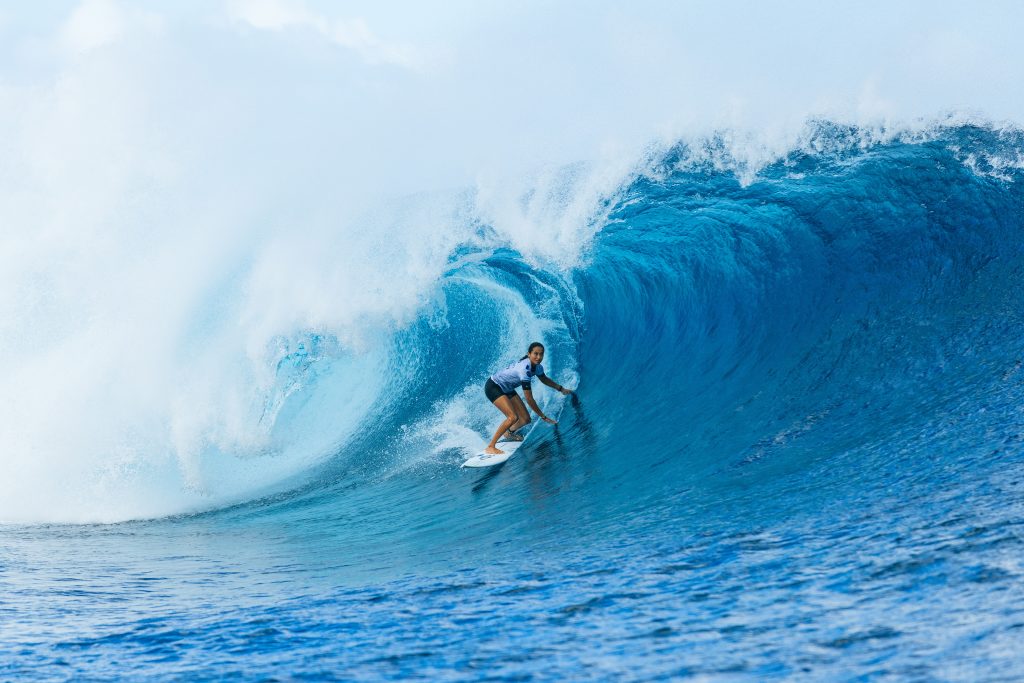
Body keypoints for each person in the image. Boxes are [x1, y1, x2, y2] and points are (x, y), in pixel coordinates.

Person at [483, 342, 573, 455]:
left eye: (541, 354)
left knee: (525, 419)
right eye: (535, 354)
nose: (538, 357)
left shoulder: (538, 367)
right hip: (494, 386)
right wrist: (543, 416)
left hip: (507, 387)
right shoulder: (524, 370)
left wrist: (561, 389)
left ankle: (509, 433)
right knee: (512, 417)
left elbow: (544, 379)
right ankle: (491, 446)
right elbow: (529, 399)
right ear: (529, 354)